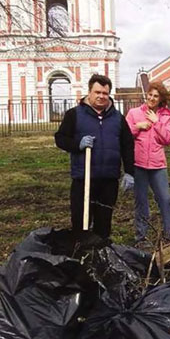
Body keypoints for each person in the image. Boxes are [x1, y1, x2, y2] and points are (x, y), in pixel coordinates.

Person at [54, 73, 134, 240]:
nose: (101, 96)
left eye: (105, 93)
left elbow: (127, 145)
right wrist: (78, 144)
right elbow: (60, 139)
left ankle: (100, 256)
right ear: (89, 92)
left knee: (104, 224)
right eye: (97, 92)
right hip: (84, 179)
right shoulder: (74, 115)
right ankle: (81, 256)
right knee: (81, 222)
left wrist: (129, 172)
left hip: (109, 180)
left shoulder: (118, 118)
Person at [125, 82, 170, 244]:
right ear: (146, 95)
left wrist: (157, 122)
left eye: (156, 96)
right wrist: (137, 126)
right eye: (150, 95)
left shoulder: (165, 116)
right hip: (138, 164)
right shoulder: (134, 113)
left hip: (158, 165)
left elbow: (168, 139)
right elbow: (124, 135)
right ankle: (142, 236)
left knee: (165, 199)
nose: (152, 98)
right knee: (141, 201)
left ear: (160, 99)